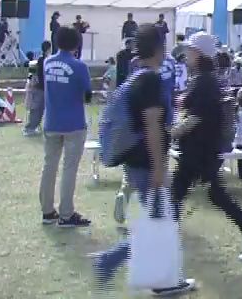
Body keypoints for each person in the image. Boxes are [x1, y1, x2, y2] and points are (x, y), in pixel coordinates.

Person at [91, 24, 198, 295]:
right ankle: (122, 264)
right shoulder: (150, 80)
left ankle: (161, 278)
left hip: (136, 160)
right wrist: (160, 168)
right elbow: (151, 126)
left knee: (161, 219)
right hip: (147, 162)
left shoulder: (136, 77)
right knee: (162, 220)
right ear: (160, 48)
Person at [170, 32, 242, 262]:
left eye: (190, 51)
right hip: (204, 149)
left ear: (199, 54)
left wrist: (169, 133)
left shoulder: (203, 82)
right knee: (212, 196)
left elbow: (196, 119)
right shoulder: (207, 80)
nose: (186, 55)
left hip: (199, 149)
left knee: (180, 195)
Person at [40, 25, 92, 227]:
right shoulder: (79, 66)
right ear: (77, 44)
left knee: (49, 167)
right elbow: (87, 96)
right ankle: (66, 214)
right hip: (74, 124)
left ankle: (47, 211)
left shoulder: (47, 63)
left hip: (51, 121)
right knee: (69, 169)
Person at [23, 40, 52, 136]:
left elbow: (30, 75)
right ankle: (30, 128)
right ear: (49, 49)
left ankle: (34, 126)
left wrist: (29, 84)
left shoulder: (37, 61)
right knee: (36, 109)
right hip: (40, 88)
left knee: (38, 109)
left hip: (38, 88)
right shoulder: (47, 61)